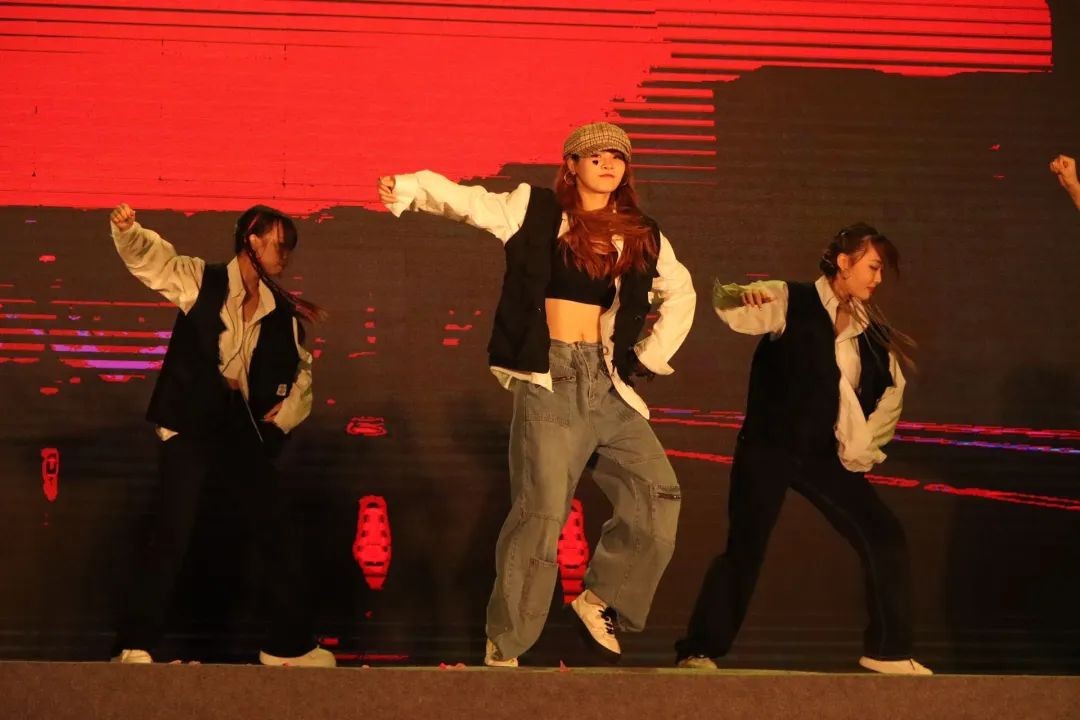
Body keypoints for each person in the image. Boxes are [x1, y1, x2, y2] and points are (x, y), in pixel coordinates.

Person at [378, 122, 696, 667]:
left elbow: (681, 290)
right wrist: (411, 187)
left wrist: (647, 356)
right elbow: (469, 203)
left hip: (607, 385)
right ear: (571, 165)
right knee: (542, 514)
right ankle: (507, 644)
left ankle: (601, 598)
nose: (607, 164)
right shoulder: (537, 210)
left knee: (659, 494)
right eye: (594, 156)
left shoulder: (641, 232)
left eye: (617, 156)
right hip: (552, 382)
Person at [674, 223, 932, 676]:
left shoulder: (872, 334)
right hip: (769, 448)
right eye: (872, 267)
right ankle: (698, 649)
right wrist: (744, 296)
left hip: (822, 456)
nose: (877, 279)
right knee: (745, 548)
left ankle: (888, 651)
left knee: (884, 534)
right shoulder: (790, 298)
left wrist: (861, 447)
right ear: (844, 263)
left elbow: (891, 395)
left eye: (881, 271)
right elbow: (732, 306)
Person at [109, 203, 334, 667]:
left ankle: (286, 646)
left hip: (238, 426)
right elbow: (155, 262)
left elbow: (302, 371)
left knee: (274, 528)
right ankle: (135, 644)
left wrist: (285, 415)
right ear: (252, 240)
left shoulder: (281, 314)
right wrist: (128, 231)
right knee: (173, 532)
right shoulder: (203, 280)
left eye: (289, 246)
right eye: (279, 243)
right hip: (192, 420)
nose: (285, 254)